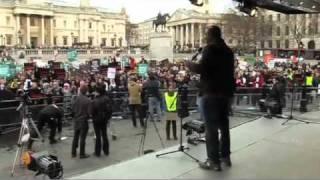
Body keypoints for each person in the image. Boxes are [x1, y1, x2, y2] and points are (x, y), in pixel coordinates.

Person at [186, 26, 235, 171]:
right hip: (225, 93)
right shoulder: (228, 51)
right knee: (224, 126)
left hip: (211, 93)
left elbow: (202, 68)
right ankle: (225, 157)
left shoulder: (210, 49)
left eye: (206, 34)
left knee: (211, 128)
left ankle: (213, 161)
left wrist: (189, 64)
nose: (205, 37)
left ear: (211, 35)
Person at [91, 83, 112, 157]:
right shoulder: (107, 99)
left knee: (98, 136)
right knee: (104, 134)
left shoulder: (94, 100)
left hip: (96, 120)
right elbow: (109, 109)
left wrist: (93, 117)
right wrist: (108, 117)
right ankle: (106, 150)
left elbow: (92, 111)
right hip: (104, 119)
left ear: (98, 92)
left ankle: (98, 152)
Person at [71, 85, 91, 159]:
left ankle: (73, 153)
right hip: (83, 120)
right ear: (86, 91)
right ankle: (82, 154)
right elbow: (89, 113)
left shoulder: (75, 98)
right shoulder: (88, 100)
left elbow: (72, 109)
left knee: (75, 137)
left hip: (76, 120)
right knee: (82, 138)